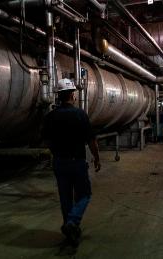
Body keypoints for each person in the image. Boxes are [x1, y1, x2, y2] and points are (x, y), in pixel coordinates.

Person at [42, 78, 101, 246]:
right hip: (77, 162)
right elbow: (91, 140)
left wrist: (56, 151)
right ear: (73, 95)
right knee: (84, 194)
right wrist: (96, 157)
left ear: (59, 96)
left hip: (59, 162)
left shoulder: (50, 117)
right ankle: (72, 222)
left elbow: (45, 141)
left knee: (65, 197)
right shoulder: (80, 114)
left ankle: (71, 231)